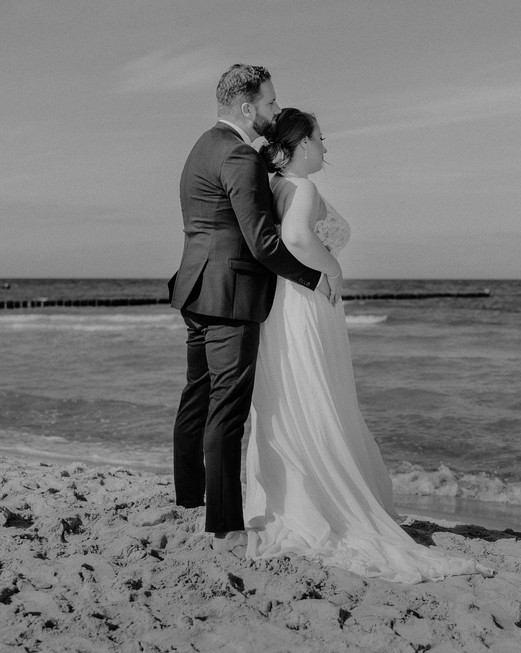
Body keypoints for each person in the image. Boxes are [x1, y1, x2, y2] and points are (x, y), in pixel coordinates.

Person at [243, 108, 491, 583]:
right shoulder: (302, 187)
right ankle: (326, 504)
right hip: (308, 301)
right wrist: (330, 272)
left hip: (283, 306)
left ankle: (291, 499)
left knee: (293, 402)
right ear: (298, 145)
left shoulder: (274, 186)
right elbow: (295, 236)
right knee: (320, 398)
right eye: (319, 138)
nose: (325, 146)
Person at [168, 66, 339, 540]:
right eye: (269, 103)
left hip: (195, 286)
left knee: (197, 397)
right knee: (227, 410)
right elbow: (263, 243)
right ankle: (224, 523)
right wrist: (312, 278)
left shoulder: (203, 146)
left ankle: (188, 495)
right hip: (230, 297)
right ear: (247, 108)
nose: (275, 110)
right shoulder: (239, 156)